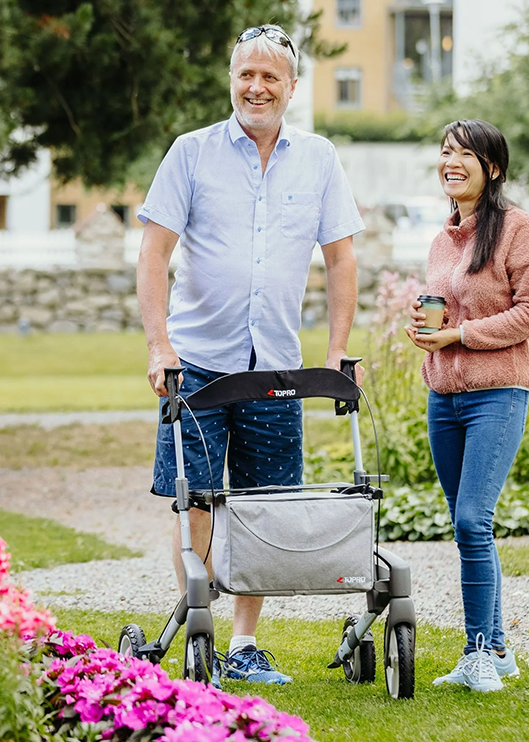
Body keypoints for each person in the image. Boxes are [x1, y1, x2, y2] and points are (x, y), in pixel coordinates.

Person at [136, 24, 364, 688]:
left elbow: (341, 257)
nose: (257, 86)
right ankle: (198, 630)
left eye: (271, 76)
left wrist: (338, 350)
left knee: (265, 507)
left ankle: (242, 644)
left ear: (292, 86)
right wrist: (160, 345)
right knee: (195, 502)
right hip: (200, 362)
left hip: (275, 368)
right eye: (246, 74)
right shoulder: (191, 153)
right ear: (231, 79)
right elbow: (154, 252)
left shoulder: (318, 157)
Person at [405, 119, 529, 692]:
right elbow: (448, 311)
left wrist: (461, 337)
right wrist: (429, 332)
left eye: (465, 153)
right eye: (445, 152)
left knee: (472, 520)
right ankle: (500, 651)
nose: (452, 162)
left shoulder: (519, 230)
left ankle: (478, 653)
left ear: (491, 168)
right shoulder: (443, 240)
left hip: (498, 392)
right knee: (469, 528)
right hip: (444, 397)